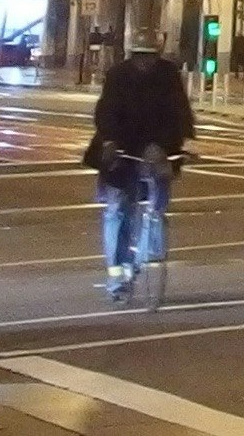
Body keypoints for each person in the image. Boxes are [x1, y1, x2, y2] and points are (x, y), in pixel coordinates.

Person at [82, 47, 196, 301]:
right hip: (124, 149)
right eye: (139, 57)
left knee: (157, 208)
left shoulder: (168, 74)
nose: (145, 63)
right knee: (117, 209)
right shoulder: (118, 75)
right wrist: (110, 142)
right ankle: (116, 275)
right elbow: (106, 112)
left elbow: (180, 111)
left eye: (149, 57)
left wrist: (178, 143)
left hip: (159, 151)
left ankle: (141, 259)